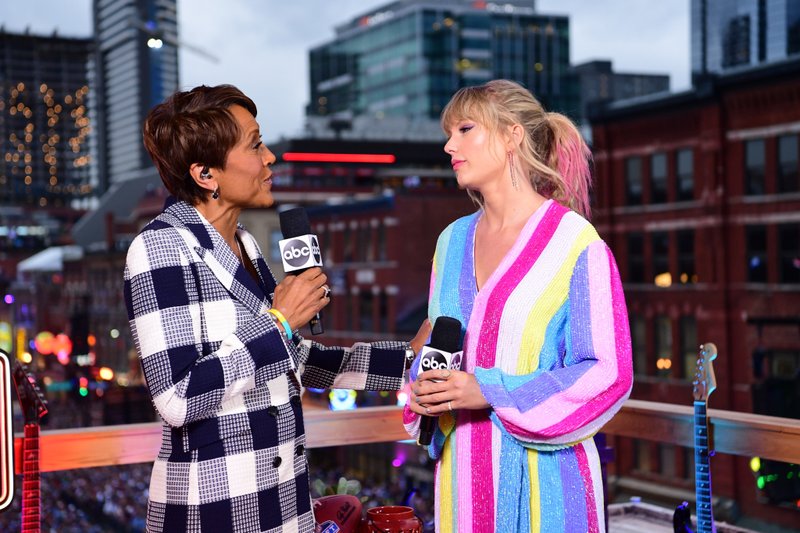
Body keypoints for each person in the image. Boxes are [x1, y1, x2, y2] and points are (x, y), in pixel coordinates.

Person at [124, 84, 431, 533]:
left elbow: (294, 359)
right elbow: (177, 396)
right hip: (214, 513)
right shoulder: (158, 248)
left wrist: (406, 360)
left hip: (282, 508)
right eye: (255, 145)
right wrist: (280, 321)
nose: (270, 158)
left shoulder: (244, 243)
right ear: (206, 174)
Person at [403, 79, 633, 532]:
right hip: (462, 485)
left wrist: (489, 390)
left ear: (513, 135)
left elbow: (608, 372)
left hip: (549, 488)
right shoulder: (450, 243)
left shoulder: (575, 243)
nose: (450, 145)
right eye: (449, 133)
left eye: (466, 129)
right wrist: (423, 386)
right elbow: (435, 343)